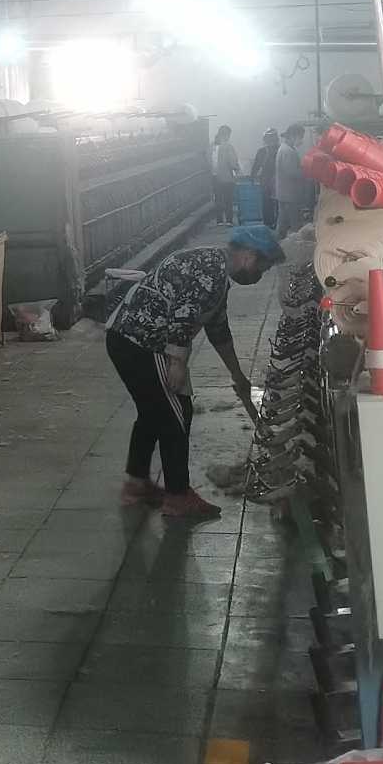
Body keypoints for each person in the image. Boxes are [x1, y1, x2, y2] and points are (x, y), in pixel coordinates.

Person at [106, 223, 285, 523]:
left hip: (125, 337)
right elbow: (183, 315)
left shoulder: (215, 271)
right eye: (261, 268)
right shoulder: (211, 271)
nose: (259, 275)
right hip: (142, 342)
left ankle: (136, 485)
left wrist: (238, 376)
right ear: (249, 256)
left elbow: (218, 330)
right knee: (177, 413)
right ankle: (178, 498)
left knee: (153, 412)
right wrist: (177, 363)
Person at [274, 122, 307, 234]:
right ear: (293, 136)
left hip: (285, 193)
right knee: (295, 223)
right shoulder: (287, 151)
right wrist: (306, 172)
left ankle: (279, 241)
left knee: (283, 222)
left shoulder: (287, 149)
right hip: (290, 194)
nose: (301, 140)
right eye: (300, 137)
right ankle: (295, 242)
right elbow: (291, 172)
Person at [251, 126, 281, 231]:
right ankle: (272, 224)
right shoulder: (275, 150)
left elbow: (256, 166)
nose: (271, 141)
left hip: (272, 180)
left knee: (272, 203)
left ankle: (272, 224)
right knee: (272, 203)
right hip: (271, 180)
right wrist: (253, 176)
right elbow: (256, 166)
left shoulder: (277, 150)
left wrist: (252, 177)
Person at [210, 123, 240, 224]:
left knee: (218, 199)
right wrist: (237, 170)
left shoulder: (212, 146)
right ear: (226, 135)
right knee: (228, 199)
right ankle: (229, 220)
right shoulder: (228, 147)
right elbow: (232, 162)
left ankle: (219, 220)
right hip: (227, 177)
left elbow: (208, 160)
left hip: (214, 177)